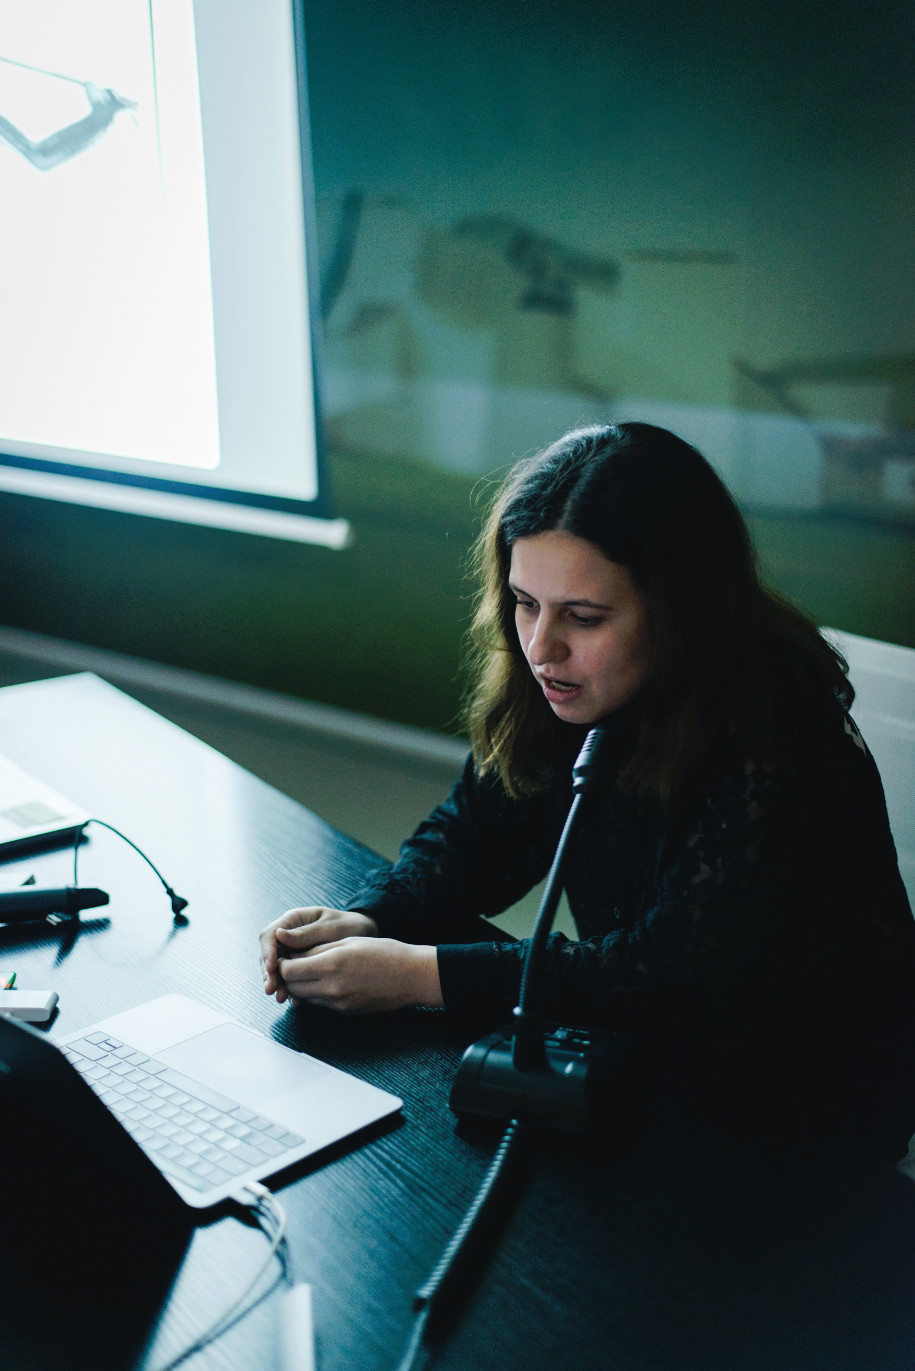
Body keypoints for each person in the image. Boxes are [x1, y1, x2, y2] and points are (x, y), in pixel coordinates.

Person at [259, 422, 915, 1153]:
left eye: (583, 616)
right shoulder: (577, 685)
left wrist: (418, 974)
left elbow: (665, 976)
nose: (541, 649)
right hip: (655, 1063)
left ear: (681, 609)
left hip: (799, 1116)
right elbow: (474, 835)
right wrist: (376, 918)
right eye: (524, 602)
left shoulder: (779, 733)